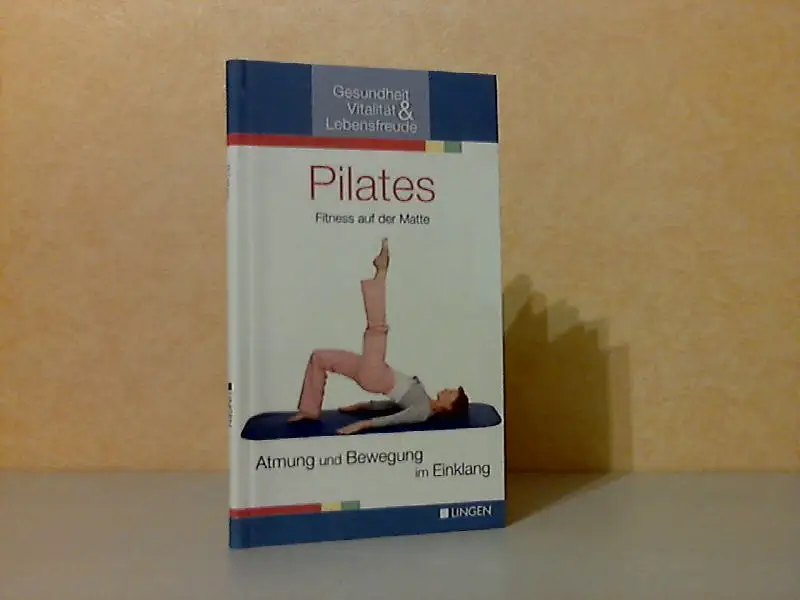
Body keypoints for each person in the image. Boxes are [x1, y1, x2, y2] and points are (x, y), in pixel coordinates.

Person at [289, 237, 469, 435]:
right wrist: (363, 406)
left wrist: (362, 425)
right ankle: (309, 411)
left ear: (448, 407)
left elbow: (393, 419)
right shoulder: (424, 402)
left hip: (376, 375)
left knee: (377, 328)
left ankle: (382, 270)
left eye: (451, 393)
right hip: (371, 373)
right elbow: (391, 407)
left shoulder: (422, 411)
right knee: (319, 357)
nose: (448, 389)